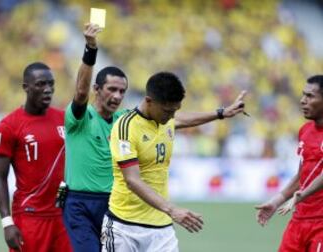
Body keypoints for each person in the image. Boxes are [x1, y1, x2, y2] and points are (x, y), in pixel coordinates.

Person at [101, 71, 247, 251]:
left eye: (175, 111)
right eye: (168, 111)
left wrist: (221, 113)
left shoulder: (164, 118)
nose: (171, 117)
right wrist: (172, 210)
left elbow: (183, 119)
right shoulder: (126, 127)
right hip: (124, 227)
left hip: (161, 228)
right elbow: (132, 180)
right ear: (149, 101)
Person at [63, 23, 129, 252]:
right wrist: (90, 49)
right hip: (79, 203)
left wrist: (219, 114)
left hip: (114, 204)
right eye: (112, 89)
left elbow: (170, 119)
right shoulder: (79, 118)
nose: (117, 96)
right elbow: (80, 93)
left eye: (122, 91)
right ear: (97, 89)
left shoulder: (124, 121)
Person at [0, 62, 72, 251]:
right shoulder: (9, 126)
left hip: (62, 216)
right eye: (41, 84)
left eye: (51, 84)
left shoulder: (64, 119)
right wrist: (7, 222)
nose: (48, 90)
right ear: (26, 87)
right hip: (30, 217)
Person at [255, 75, 323, 251]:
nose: (302, 101)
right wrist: (277, 200)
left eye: (310, 96)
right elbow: (303, 175)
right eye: (303, 95)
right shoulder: (305, 131)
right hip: (299, 219)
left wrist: (302, 195)